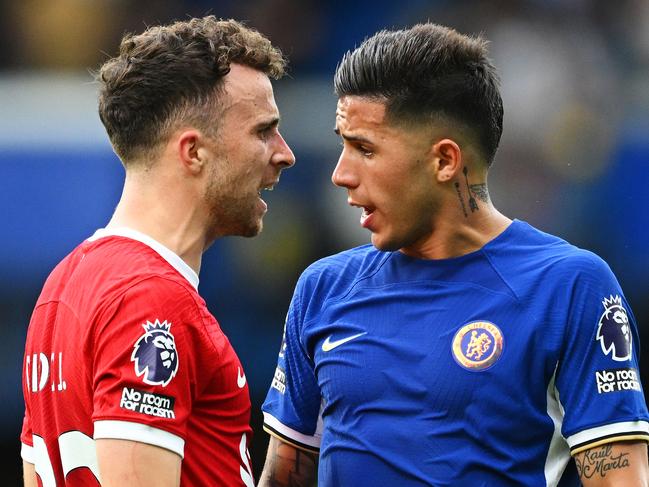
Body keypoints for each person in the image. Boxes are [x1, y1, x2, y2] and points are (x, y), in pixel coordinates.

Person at [259, 23, 649, 486]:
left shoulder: (569, 286)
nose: (340, 174)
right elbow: (284, 477)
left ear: (445, 161)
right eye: (343, 145)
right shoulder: (323, 288)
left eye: (364, 149)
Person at [20, 16, 295, 486]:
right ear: (192, 152)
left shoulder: (62, 286)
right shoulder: (150, 301)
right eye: (263, 131)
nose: (284, 152)